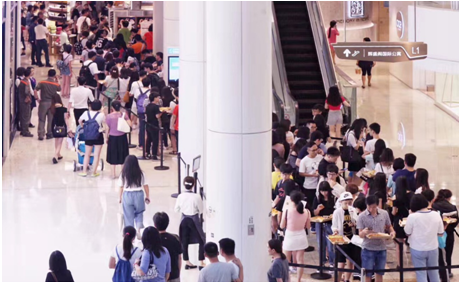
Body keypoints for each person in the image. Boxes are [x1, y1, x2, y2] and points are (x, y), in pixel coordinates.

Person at [404, 194, 443, 282]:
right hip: (433, 248)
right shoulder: (436, 214)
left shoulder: (412, 217)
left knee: (421, 274)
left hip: (417, 248)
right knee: (434, 273)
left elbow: (407, 232)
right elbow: (441, 233)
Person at [357, 195, 396, 282]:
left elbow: (389, 226)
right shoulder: (361, 216)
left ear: (377, 205)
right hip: (368, 248)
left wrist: (392, 232)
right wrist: (363, 232)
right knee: (368, 274)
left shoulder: (384, 213)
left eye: (374, 207)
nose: (371, 209)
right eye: (369, 207)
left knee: (380, 273)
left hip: (381, 247)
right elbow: (360, 234)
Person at [175, 176, 206, 269]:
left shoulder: (180, 196)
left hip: (184, 219)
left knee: (184, 241)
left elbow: (176, 209)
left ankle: (187, 262)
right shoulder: (196, 196)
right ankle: (201, 262)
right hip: (194, 219)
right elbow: (201, 210)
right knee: (202, 239)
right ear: (194, 185)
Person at [280, 191, 310, 281]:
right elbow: (308, 226)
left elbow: (282, 226)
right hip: (301, 236)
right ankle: (299, 280)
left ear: (291, 199)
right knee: (300, 260)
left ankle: (287, 279)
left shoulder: (287, 211)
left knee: (286, 261)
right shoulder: (306, 211)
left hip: (290, 236)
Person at [118, 155, 150, 236]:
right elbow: (145, 185)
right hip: (139, 194)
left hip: (127, 195)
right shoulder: (141, 173)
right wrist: (147, 196)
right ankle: (139, 231)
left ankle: (129, 234)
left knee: (128, 215)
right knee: (139, 213)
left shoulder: (123, 174)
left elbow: (121, 187)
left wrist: (120, 197)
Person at [432, 189, 458, 278]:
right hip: (449, 234)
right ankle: (448, 271)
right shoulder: (453, 207)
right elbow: (456, 222)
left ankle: (438, 271)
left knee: (438, 255)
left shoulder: (434, 205)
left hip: (436, 234)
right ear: (449, 198)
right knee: (448, 254)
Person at [332, 192, 356, 282]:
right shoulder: (337, 212)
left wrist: (354, 224)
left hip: (352, 239)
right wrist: (335, 231)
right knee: (341, 263)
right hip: (342, 240)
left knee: (350, 261)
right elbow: (334, 225)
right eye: (345, 202)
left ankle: (347, 279)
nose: (347, 205)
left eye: (349, 202)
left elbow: (357, 222)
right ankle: (337, 279)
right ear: (341, 202)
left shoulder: (353, 210)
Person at [78, 100, 105, 177]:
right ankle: (94, 172)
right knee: (96, 155)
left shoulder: (86, 113)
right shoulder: (101, 115)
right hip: (98, 135)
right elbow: (105, 123)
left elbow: (80, 120)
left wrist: (83, 126)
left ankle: (84, 171)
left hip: (88, 135)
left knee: (87, 154)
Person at [154, 212, 183, 282]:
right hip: (174, 274)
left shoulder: (152, 240)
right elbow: (179, 258)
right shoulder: (175, 238)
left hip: (158, 276)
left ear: (155, 225)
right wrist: (178, 273)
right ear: (168, 223)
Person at [313, 181, 336, 268]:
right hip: (320, 223)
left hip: (330, 223)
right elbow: (314, 213)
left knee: (330, 245)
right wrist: (318, 209)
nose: (324, 193)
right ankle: (322, 262)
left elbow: (335, 212)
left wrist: (331, 216)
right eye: (322, 191)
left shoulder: (333, 198)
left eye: (326, 191)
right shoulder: (317, 199)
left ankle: (331, 262)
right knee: (320, 244)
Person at [106, 101, 131, 178]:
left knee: (112, 155)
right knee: (123, 154)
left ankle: (113, 174)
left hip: (112, 137)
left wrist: (106, 137)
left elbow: (107, 128)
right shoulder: (123, 115)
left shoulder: (109, 116)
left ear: (112, 108)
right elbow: (130, 124)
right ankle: (122, 173)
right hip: (122, 137)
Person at [392, 176, 414, 265]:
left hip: (399, 221)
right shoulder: (412, 195)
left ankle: (399, 264)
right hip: (410, 220)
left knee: (399, 244)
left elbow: (394, 212)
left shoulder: (396, 197)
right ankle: (414, 262)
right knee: (412, 243)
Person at [35, 69, 61, 140]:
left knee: (41, 119)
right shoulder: (56, 84)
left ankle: (41, 134)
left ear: (48, 74)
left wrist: (37, 98)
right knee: (50, 119)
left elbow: (35, 89)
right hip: (52, 104)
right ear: (54, 75)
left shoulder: (42, 82)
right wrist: (57, 80)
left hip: (43, 103)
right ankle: (49, 134)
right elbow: (59, 89)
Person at [299, 141, 323, 207]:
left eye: (316, 149)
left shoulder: (320, 157)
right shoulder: (304, 161)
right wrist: (312, 175)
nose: (316, 152)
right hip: (309, 186)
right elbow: (301, 173)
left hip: (319, 184)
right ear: (308, 150)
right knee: (310, 203)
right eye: (313, 150)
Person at [132, 77, 151, 150]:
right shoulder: (150, 91)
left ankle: (141, 144)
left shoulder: (138, 90)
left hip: (140, 110)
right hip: (148, 111)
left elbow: (135, 99)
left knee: (141, 127)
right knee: (149, 127)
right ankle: (148, 144)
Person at [50, 94, 70, 164]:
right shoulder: (63, 108)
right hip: (62, 126)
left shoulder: (52, 108)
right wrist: (69, 128)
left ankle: (58, 154)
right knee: (60, 141)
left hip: (54, 126)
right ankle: (55, 155)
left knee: (56, 140)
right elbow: (66, 119)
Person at [145, 93, 164, 160]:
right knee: (155, 140)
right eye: (158, 97)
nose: (159, 99)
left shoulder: (148, 106)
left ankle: (147, 152)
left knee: (149, 139)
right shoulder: (156, 107)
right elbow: (157, 116)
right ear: (155, 98)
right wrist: (162, 112)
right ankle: (154, 154)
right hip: (154, 125)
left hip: (148, 124)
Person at [18, 68, 33, 137]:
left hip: (21, 101)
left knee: (23, 116)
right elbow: (27, 92)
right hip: (25, 102)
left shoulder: (22, 81)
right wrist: (28, 98)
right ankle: (25, 131)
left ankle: (23, 130)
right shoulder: (26, 82)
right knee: (26, 116)